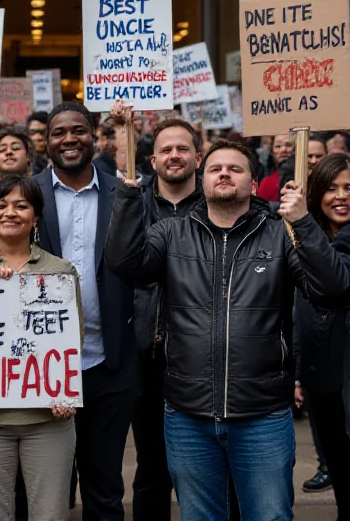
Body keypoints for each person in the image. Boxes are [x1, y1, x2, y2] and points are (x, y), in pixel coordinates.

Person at [106, 138, 350, 521]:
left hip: (262, 414)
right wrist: (127, 194)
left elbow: (332, 289)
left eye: (235, 169)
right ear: (202, 180)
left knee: (268, 516)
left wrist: (302, 221)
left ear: (253, 185)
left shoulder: (280, 234)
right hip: (188, 415)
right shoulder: (171, 233)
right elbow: (123, 263)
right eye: (216, 168)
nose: (224, 173)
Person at [33, 102, 136, 520]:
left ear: (96, 137)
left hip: (108, 365)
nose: (69, 139)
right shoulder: (26, 194)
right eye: (59, 132)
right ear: (46, 142)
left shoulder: (125, 192)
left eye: (79, 130)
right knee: (45, 491)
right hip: (42, 368)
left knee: (105, 487)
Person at [0, 173, 80, 521]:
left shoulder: (61, 271)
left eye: (21, 206)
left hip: (49, 421)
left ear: (35, 216)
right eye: (0, 205)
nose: (10, 212)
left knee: (51, 515)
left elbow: (74, 338)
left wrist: (64, 389)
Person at [132, 118, 203, 521]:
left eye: (182, 148)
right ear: (153, 160)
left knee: (206, 469)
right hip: (144, 356)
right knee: (152, 469)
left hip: (200, 359)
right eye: (166, 150)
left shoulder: (219, 205)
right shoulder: (130, 203)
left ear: (198, 156)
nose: (174, 155)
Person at [295, 153, 350, 518]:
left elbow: (335, 280)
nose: (341, 196)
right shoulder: (299, 236)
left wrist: (301, 223)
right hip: (322, 382)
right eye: (331, 188)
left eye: (349, 188)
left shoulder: (314, 236)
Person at [257, 133, 294, 201]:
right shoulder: (267, 183)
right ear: (272, 152)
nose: (283, 149)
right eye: (278, 146)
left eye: (288, 145)